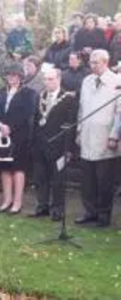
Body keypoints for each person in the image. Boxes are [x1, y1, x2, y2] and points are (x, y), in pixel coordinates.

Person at [75, 49, 121, 227]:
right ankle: (89, 211)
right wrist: (79, 130)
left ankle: (103, 214)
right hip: (87, 135)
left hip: (105, 137)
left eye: (95, 62)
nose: (91, 65)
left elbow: (119, 112)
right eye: (91, 62)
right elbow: (82, 108)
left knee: (104, 180)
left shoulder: (116, 81)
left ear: (105, 62)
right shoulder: (86, 81)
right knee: (87, 179)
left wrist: (114, 135)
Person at [29, 69, 78, 222]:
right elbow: (36, 122)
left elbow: (71, 124)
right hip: (40, 145)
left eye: (50, 79)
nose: (47, 82)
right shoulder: (40, 96)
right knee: (40, 178)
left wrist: (69, 149)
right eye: (45, 79)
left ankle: (57, 209)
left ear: (59, 79)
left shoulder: (68, 98)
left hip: (59, 146)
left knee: (58, 180)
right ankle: (42, 206)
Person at [0, 63, 38, 214]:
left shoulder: (28, 93)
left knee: (18, 168)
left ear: (20, 77)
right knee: (5, 168)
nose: (11, 77)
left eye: (14, 75)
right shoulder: (1, 91)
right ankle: (7, 200)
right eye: (9, 75)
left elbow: (27, 114)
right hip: (1, 135)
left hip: (19, 135)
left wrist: (10, 127)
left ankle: (17, 203)